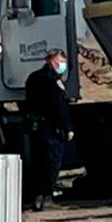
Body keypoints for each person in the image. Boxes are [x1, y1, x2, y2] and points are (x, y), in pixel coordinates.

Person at [25, 48, 74, 211]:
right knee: (51, 163)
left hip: (35, 126)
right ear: (52, 61)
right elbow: (59, 107)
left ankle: (36, 198)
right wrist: (68, 127)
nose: (63, 66)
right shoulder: (52, 81)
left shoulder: (32, 78)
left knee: (37, 162)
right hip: (51, 128)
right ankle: (47, 197)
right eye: (61, 62)